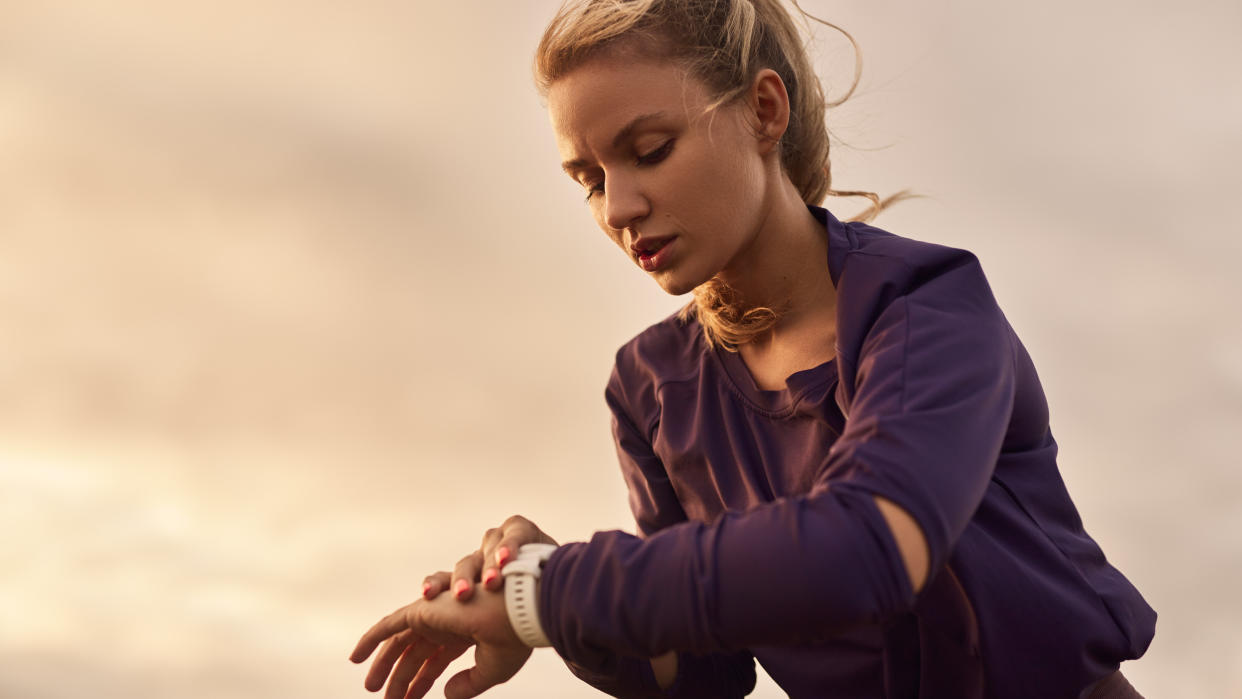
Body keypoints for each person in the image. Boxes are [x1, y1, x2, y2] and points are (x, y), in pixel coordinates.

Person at [349, 1, 1156, 697]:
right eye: (589, 179)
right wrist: (541, 603)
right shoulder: (649, 385)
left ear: (765, 111)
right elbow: (703, 671)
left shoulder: (924, 306)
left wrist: (548, 591)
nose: (621, 206)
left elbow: (866, 548)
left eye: (650, 149)